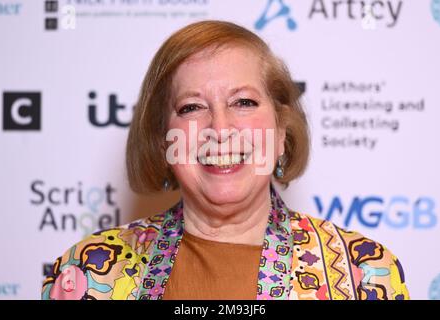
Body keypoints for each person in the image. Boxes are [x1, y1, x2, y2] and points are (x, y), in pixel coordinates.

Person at [42, 20, 409, 300]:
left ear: (282, 132)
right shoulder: (87, 272)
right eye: (191, 107)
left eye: (243, 102)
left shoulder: (366, 272)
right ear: (162, 142)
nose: (220, 128)